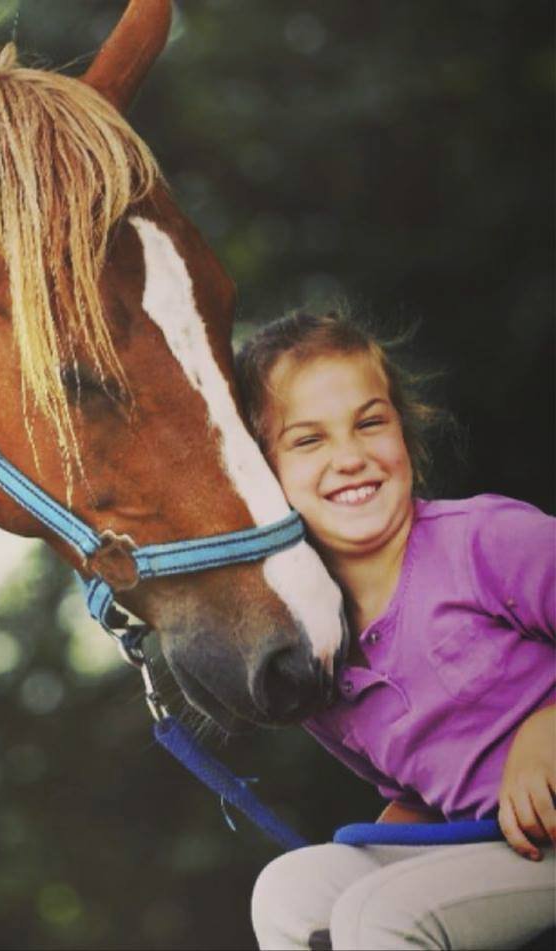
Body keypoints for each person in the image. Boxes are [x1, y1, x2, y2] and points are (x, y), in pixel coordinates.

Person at [232, 311, 555, 950]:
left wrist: (549, 723)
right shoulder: (317, 655)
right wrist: (391, 841)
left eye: (370, 422)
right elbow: (422, 793)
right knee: (290, 891)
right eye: (308, 440)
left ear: (403, 429)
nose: (350, 458)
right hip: (499, 852)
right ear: (261, 473)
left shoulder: (485, 542)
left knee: (380, 916)